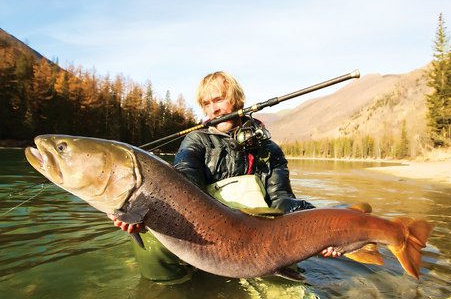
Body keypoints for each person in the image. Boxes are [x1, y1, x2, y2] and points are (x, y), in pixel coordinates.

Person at [110, 71, 340, 283]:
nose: (214, 109)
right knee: (152, 236)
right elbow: (185, 183)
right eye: (206, 104)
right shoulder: (195, 142)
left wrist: (322, 231)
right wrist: (138, 215)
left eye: (219, 99)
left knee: (290, 261)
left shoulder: (269, 149)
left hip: (258, 239)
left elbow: (281, 200)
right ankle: (169, 287)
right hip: (204, 235)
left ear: (237, 100)